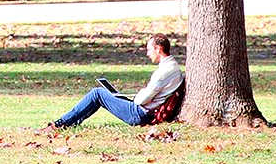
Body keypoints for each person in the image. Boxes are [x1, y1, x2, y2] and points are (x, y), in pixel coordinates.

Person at [48, 33, 184, 128]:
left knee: (97, 93)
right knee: (102, 96)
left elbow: (141, 101)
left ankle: (60, 123)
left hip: (140, 114)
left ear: (158, 49)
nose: (148, 54)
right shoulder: (173, 67)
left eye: (149, 50)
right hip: (146, 110)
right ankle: (70, 122)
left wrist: (137, 95)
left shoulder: (163, 72)